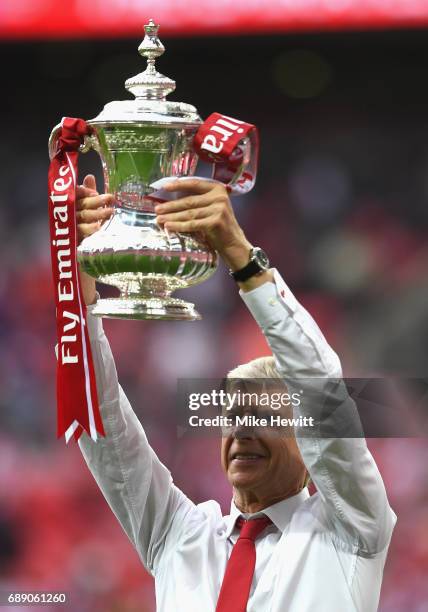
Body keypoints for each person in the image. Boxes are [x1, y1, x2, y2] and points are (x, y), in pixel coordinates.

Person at [75, 174, 396, 612]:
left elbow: (321, 389)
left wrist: (243, 259)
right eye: (233, 417)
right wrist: (76, 289)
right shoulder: (180, 535)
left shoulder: (352, 530)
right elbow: (104, 429)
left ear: (311, 445)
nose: (243, 430)